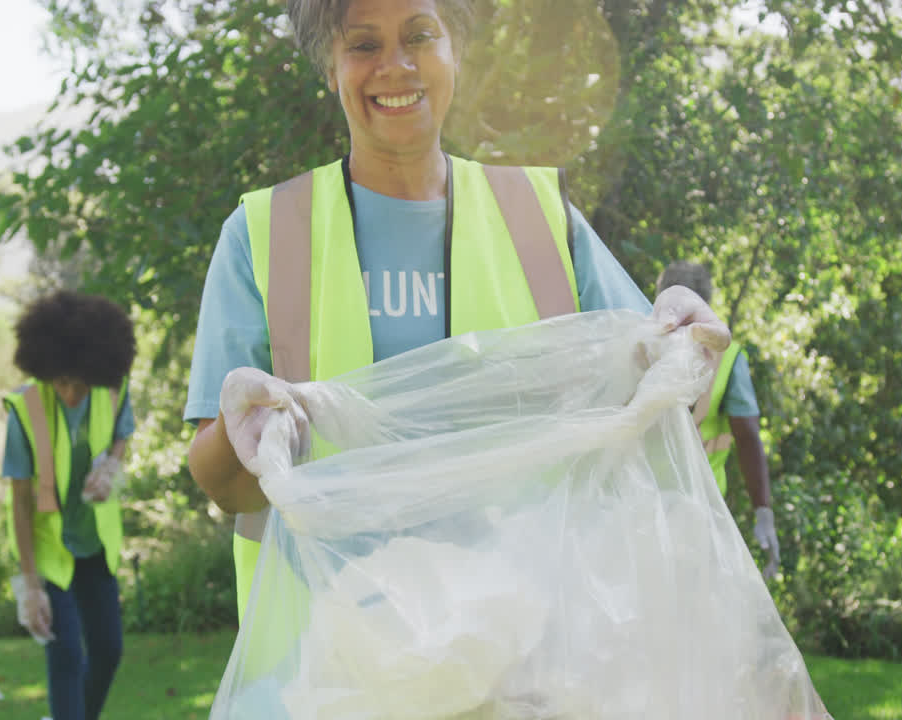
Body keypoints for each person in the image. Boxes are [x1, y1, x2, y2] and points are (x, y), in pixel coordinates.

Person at [186, 0, 730, 622]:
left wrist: (685, 338)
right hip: (332, 658)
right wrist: (239, 428)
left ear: (457, 52)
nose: (395, 65)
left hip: (529, 648)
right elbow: (224, 487)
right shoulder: (265, 233)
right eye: (363, 45)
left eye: (420, 35)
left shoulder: (542, 221)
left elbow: (663, 404)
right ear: (329, 68)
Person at [3, 290, 136, 720]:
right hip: (50, 552)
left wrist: (111, 466)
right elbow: (20, 501)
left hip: (95, 543)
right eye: (61, 382)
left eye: (80, 382)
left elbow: (122, 434)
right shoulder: (25, 410)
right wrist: (30, 585)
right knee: (65, 659)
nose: (72, 393)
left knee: (109, 652)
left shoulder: (112, 389)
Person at [657, 260, 780, 579]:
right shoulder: (727, 358)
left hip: (643, 501)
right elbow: (748, 434)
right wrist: (762, 511)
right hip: (698, 508)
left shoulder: (643, 342)